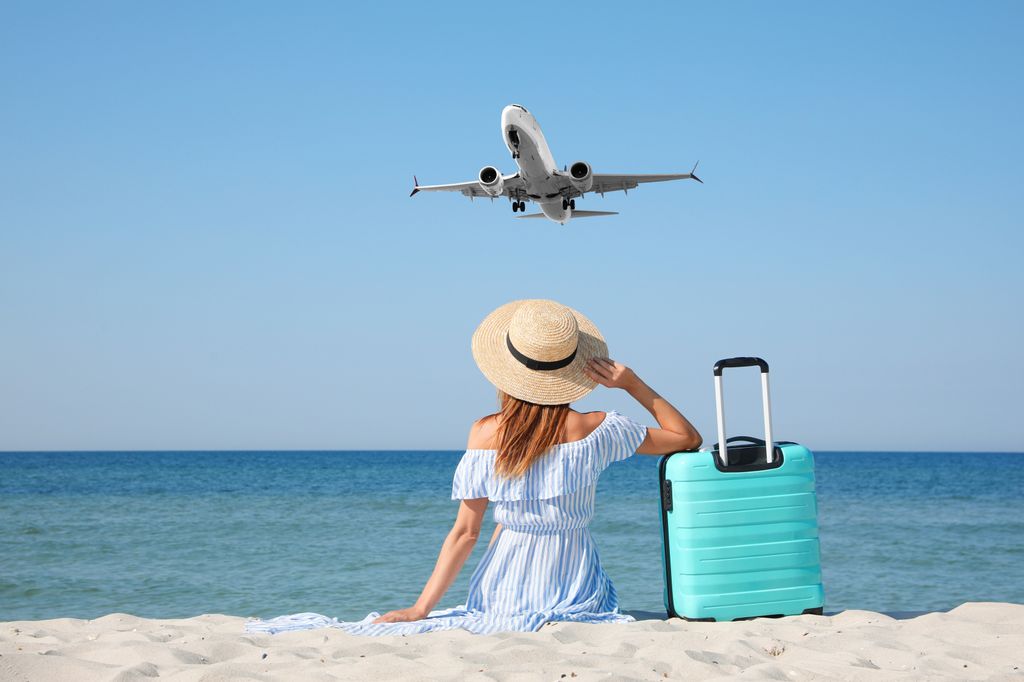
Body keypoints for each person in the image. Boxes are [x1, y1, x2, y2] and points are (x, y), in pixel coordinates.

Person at [245, 299, 701, 636]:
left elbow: (465, 533)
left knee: (470, 615)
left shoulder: (484, 433)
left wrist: (420, 609)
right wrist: (632, 383)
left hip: (499, 582)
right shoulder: (596, 428)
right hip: (575, 582)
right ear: (571, 371)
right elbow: (686, 438)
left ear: (507, 371)